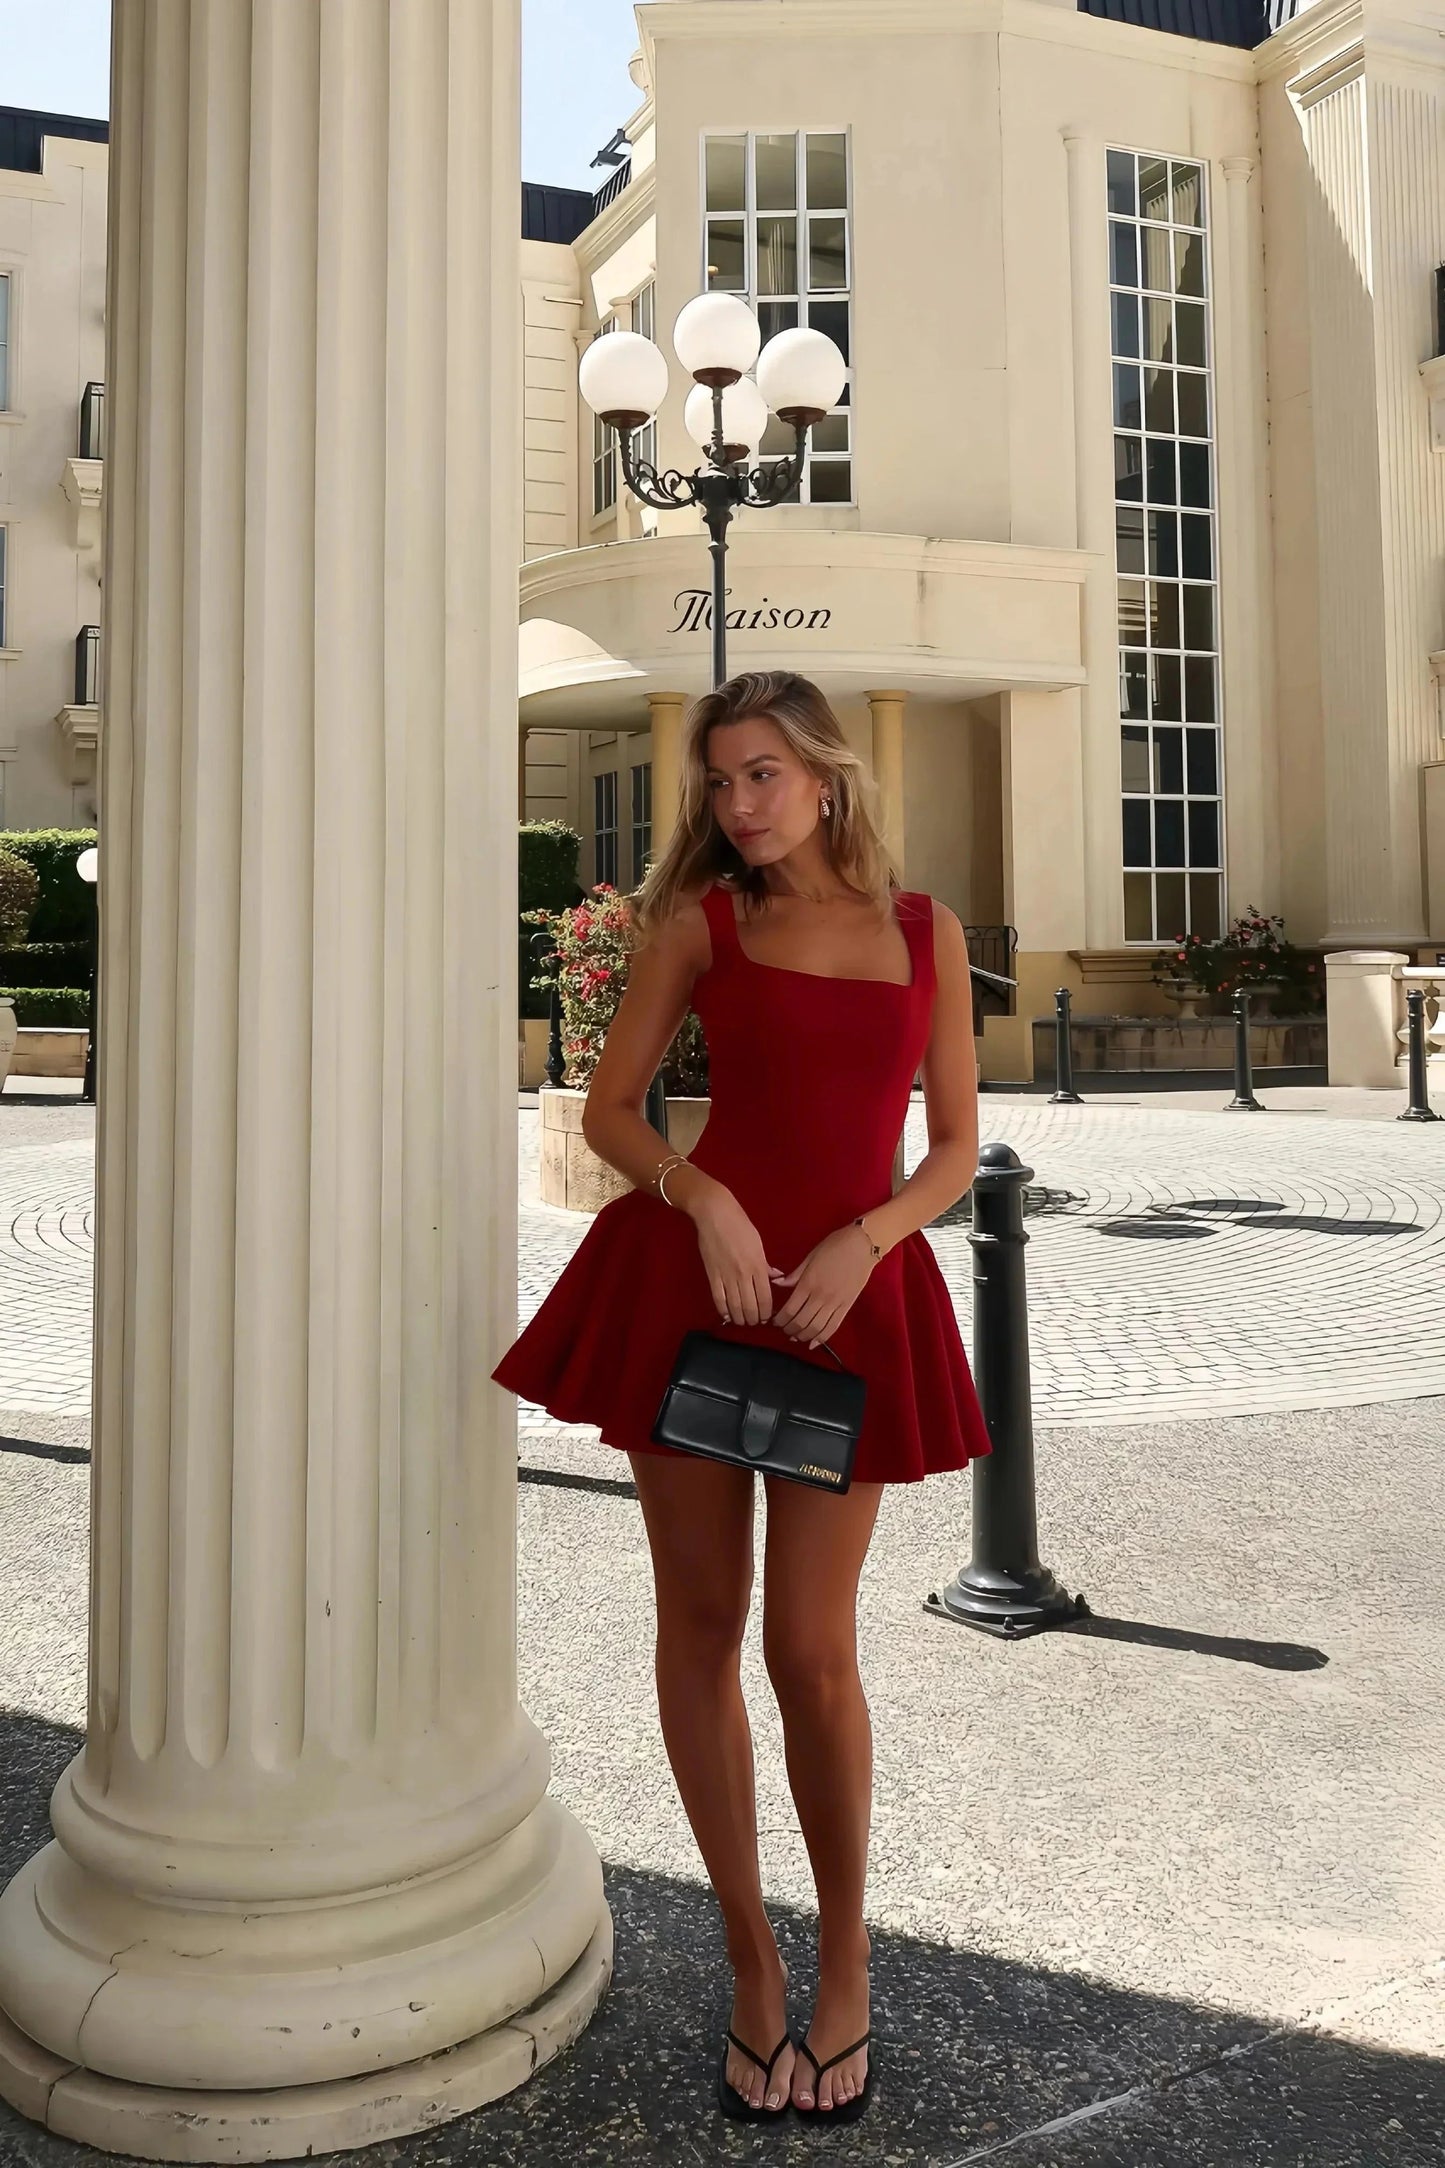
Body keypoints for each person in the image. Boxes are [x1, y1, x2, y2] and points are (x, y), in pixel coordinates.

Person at [493, 670, 991, 2124]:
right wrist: (699, 1195)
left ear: (826, 777)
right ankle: (750, 1961)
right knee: (698, 1632)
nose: (735, 804)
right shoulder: (701, 924)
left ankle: (846, 1965)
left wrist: (869, 1238)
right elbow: (606, 1108)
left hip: (847, 1303)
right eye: (718, 782)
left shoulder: (923, 933)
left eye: (760, 775)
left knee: (809, 1652)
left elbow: (955, 1145)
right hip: (690, 1297)